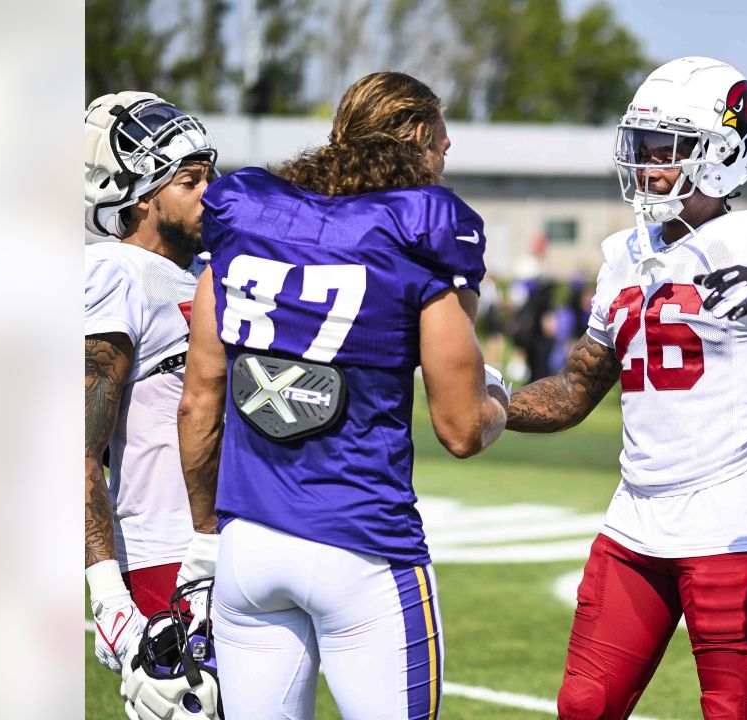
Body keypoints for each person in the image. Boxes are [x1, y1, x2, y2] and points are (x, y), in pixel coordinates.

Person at [505, 57, 747, 720]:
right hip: (633, 519)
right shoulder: (624, 254)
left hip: (727, 520)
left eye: (663, 147)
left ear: (722, 156)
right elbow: (577, 387)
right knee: (583, 706)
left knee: (737, 714)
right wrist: (496, 408)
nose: (645, 163)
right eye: (640, 145)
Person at [177, 71, 509, 720]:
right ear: (417, 135)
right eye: (441, 146)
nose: (442, 164)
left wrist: (206, 536)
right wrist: (496, 397)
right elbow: (462, 428)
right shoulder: (422, 231)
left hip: (249, 543)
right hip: (363, 548)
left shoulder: (249, 215)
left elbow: (198, 400)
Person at [83, 91, 220, 680]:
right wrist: (107, 595)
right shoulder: (113, 273)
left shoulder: (203, 272)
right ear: (139, 199)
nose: (210, 194)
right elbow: (78, 448)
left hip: (229, 548)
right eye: (190, 181)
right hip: (164, 553)